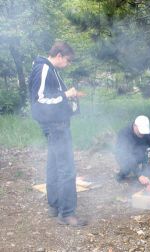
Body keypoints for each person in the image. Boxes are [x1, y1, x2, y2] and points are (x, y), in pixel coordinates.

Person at [28, 41, 87, 226]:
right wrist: (66, 95)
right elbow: (39, 100)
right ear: (59, 55)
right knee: (67, 170)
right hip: (56, 126)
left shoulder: (50, 70)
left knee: (53, 167)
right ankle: (67, 214)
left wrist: (67, 95)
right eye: (68, 60)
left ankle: (54, 206)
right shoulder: (44, 69)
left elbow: (50, 94)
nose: (68, 64)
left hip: (55, 125)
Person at [115, 115, 150, 184]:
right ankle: (121, 175)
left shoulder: (149, 131)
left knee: (147, 161)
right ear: (135, 126)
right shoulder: (124, 134)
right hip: (124, 155)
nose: (143, 134)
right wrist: (139, 175)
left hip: (142, 152)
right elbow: (125, 156)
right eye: (141, 131)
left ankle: (145, 174)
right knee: (127, 168)